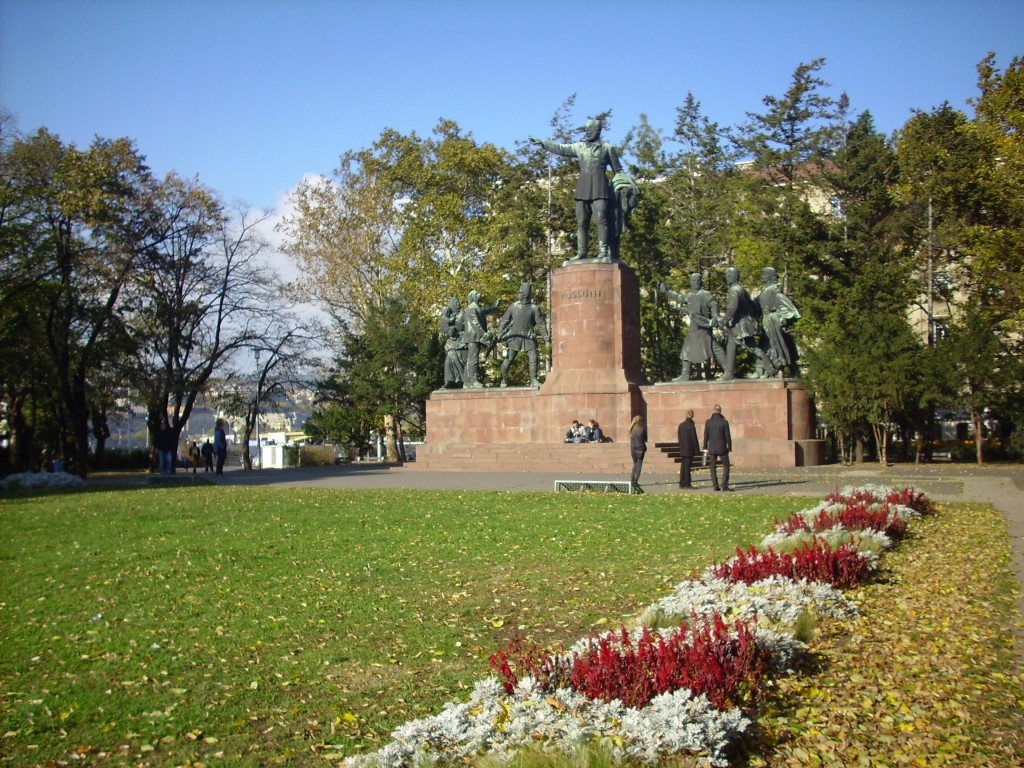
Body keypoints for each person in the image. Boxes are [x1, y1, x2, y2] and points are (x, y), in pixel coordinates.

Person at [530, 118, 623, 263]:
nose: (587, 132)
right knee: (582, 223)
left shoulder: (607, 148)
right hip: (583, 189)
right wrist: (543, 143)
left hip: (600, 189)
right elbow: (561, 148)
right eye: (585, 130)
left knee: (601, 220)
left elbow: (618, 171)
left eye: (589, 130)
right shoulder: (579, 147)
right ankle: (581, 252)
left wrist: (622, 186)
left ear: (597, 131)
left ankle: (603, 251)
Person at [658, 273, 726, 381]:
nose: (695, 283)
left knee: (714, 347)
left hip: (703, 326)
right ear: (691, 282)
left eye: (697, 280)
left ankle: (728, 371)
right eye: (693, 281)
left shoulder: (705, 294)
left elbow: (714, 305)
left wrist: (715, 316)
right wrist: (666, 291)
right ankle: (685, 374)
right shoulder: (690, 295)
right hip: (694, 327)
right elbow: (679, 297)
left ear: (700, 282)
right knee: (686, 349)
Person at [720, 266, 772, 381]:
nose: (726, 278)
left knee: (732, 344)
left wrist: (723, 319)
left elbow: (732, 308)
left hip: (741, 323)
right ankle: (769, 367)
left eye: (729, 276)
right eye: (726, 275)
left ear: (735, 277)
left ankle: (729, 373)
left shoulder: (734, 290)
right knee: (751, 346)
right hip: (746, 321)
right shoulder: (741, 289)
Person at [498, 282, 550, 388]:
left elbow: (540, 323)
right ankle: (503, 378)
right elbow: (504, 320)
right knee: (509, 359)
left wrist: (545, 335)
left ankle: (533, 380)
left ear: (525, 294)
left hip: (529, 337)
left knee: (534, 357)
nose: (518, 294)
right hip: (515, 336)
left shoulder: (534, 308)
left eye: (520, 292)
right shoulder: (513, 306)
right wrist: (500, 332)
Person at [755, 266, 801, 378]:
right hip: (766, 321)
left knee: (775, 345)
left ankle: (770, 369)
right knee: (766, 345)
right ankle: (762, 369)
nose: (762, 276)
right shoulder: (765, 289)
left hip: (772, 320)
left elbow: (786, 306)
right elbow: (756, 304)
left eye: (764, 274)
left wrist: (782, 319)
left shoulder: (774, 290)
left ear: (770, 276)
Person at [463, 290, 500, 388]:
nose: (479, 295)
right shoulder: (471, 309)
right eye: (476, 294)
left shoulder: (477, 308)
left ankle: (467, 382)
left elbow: (485, 310)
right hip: (473, 337)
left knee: (471, 359)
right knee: (473, 359)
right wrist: (484, 334)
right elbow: (475, 324)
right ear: (472, 297)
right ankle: (473, 381)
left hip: (476, 337)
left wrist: (494, 306)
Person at [703, 404, 733, 492]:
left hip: (712, 448)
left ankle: (715, 485)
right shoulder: (724, 422)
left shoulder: (708, 422)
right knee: (726, 466)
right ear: (720, 411)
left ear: (713, 411)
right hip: (722, 448)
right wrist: (729, 447)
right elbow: (728, 436)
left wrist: (705, 446)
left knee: (712, 467)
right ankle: (724, 485)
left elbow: (706, 435)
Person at [440, 297, 467, 388]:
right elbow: (443, 328)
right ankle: (449, 381)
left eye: (457, 301)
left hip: (463, 341)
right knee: (449, 359)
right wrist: (449, 331)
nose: (457, 303)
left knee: (461, 359)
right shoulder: (448, 316)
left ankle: (465, 379)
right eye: (454, 302)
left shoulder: (464, 314)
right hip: (452, 342)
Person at [677, 409, 700, 488]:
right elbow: (694, 438)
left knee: (683, 466)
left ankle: (682, 482)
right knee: (687, 467)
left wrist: (681, 446)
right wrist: (697, 450)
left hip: (683, 448)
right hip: (689, 449)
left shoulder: (681, 425)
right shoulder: (691, 426)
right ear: (692, 415)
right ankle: (687, 483)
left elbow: (679, 437)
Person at [628, 415, 647, 493]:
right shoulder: (642, 429)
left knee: (635, 464)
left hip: (633, 449)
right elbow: (645, 438)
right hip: (640, 448)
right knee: (639, 465)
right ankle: (635, 481)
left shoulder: (631, 429)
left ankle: (631, 479)